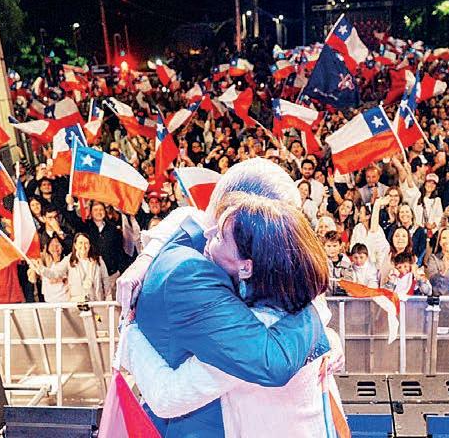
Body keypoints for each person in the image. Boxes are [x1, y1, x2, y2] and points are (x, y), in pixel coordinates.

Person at [115, 159, 331, 436]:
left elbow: (169, 396)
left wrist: (129, 334)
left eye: (220, 234)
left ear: (248, 264)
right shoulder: (282, 291)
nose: (208, 233)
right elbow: (191, 217)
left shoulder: (253, 324)